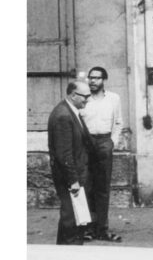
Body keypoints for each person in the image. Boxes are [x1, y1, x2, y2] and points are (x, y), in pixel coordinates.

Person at [80, 67, 123, 242]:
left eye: (97, 78)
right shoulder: (83, 98)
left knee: (103, 188)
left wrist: (112, 141)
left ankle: (102, 229)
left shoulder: (114, 98)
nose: (93, 81)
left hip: (105, 142)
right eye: (90, 78)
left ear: (104, 80)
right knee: (86, 186)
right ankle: (89, 229)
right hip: (86, 143)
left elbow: (119, 122)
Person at [47, 81, 93, 245]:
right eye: (85, 96)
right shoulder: (63, 116)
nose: (87, 100)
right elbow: (64, 153)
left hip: (75, 174)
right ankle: (69, 250)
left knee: (73, 216)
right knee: (71, 217)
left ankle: (65, 249)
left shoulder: (71, 111)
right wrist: (73, 180)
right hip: (69, 176)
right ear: (73, 95)